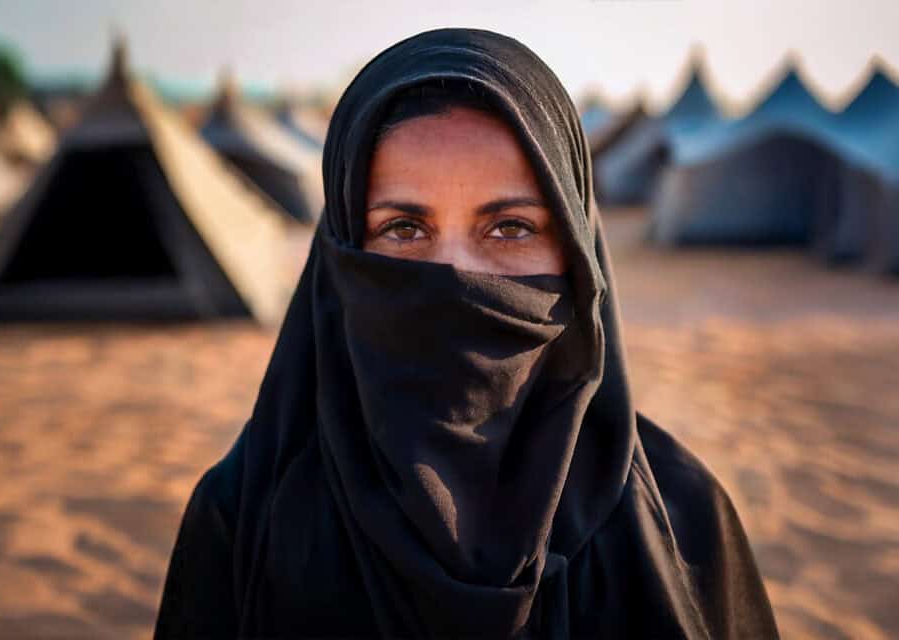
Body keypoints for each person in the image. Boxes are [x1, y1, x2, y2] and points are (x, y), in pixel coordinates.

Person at [154, 28, 779, 639]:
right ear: (342, 249)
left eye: (510, 228)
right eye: (402, 228)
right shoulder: (243, 517)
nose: (457, 276)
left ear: (575, 255)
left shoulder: (683, 519)